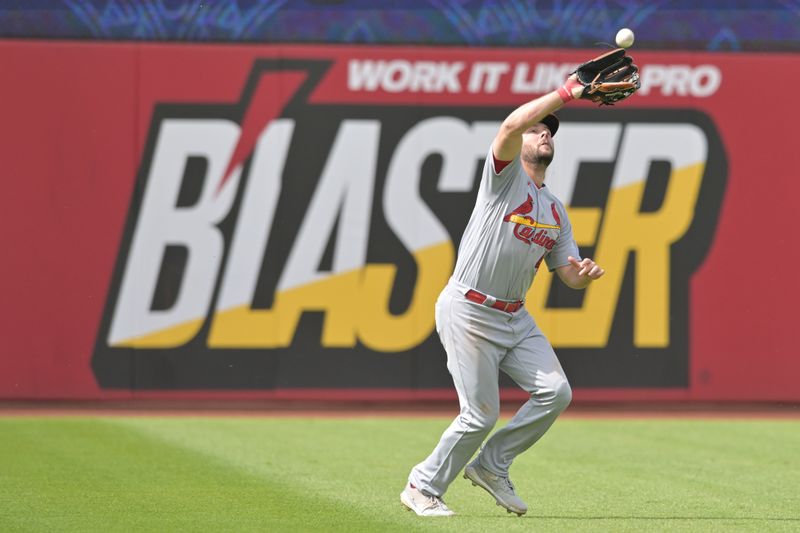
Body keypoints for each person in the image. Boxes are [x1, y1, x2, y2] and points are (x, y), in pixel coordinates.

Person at [400, 68, 613, 517]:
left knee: (556, 392)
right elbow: (510, 127)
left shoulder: (554, 210)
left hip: (515, 317)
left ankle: (492, 467)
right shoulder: (503, 179)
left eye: (549, 132)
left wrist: (584, 274)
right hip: (470, 309)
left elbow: (567, 275)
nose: (544, 134)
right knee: (480, 414)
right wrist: (565, 93)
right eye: (538, 129)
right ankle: (421, 486)